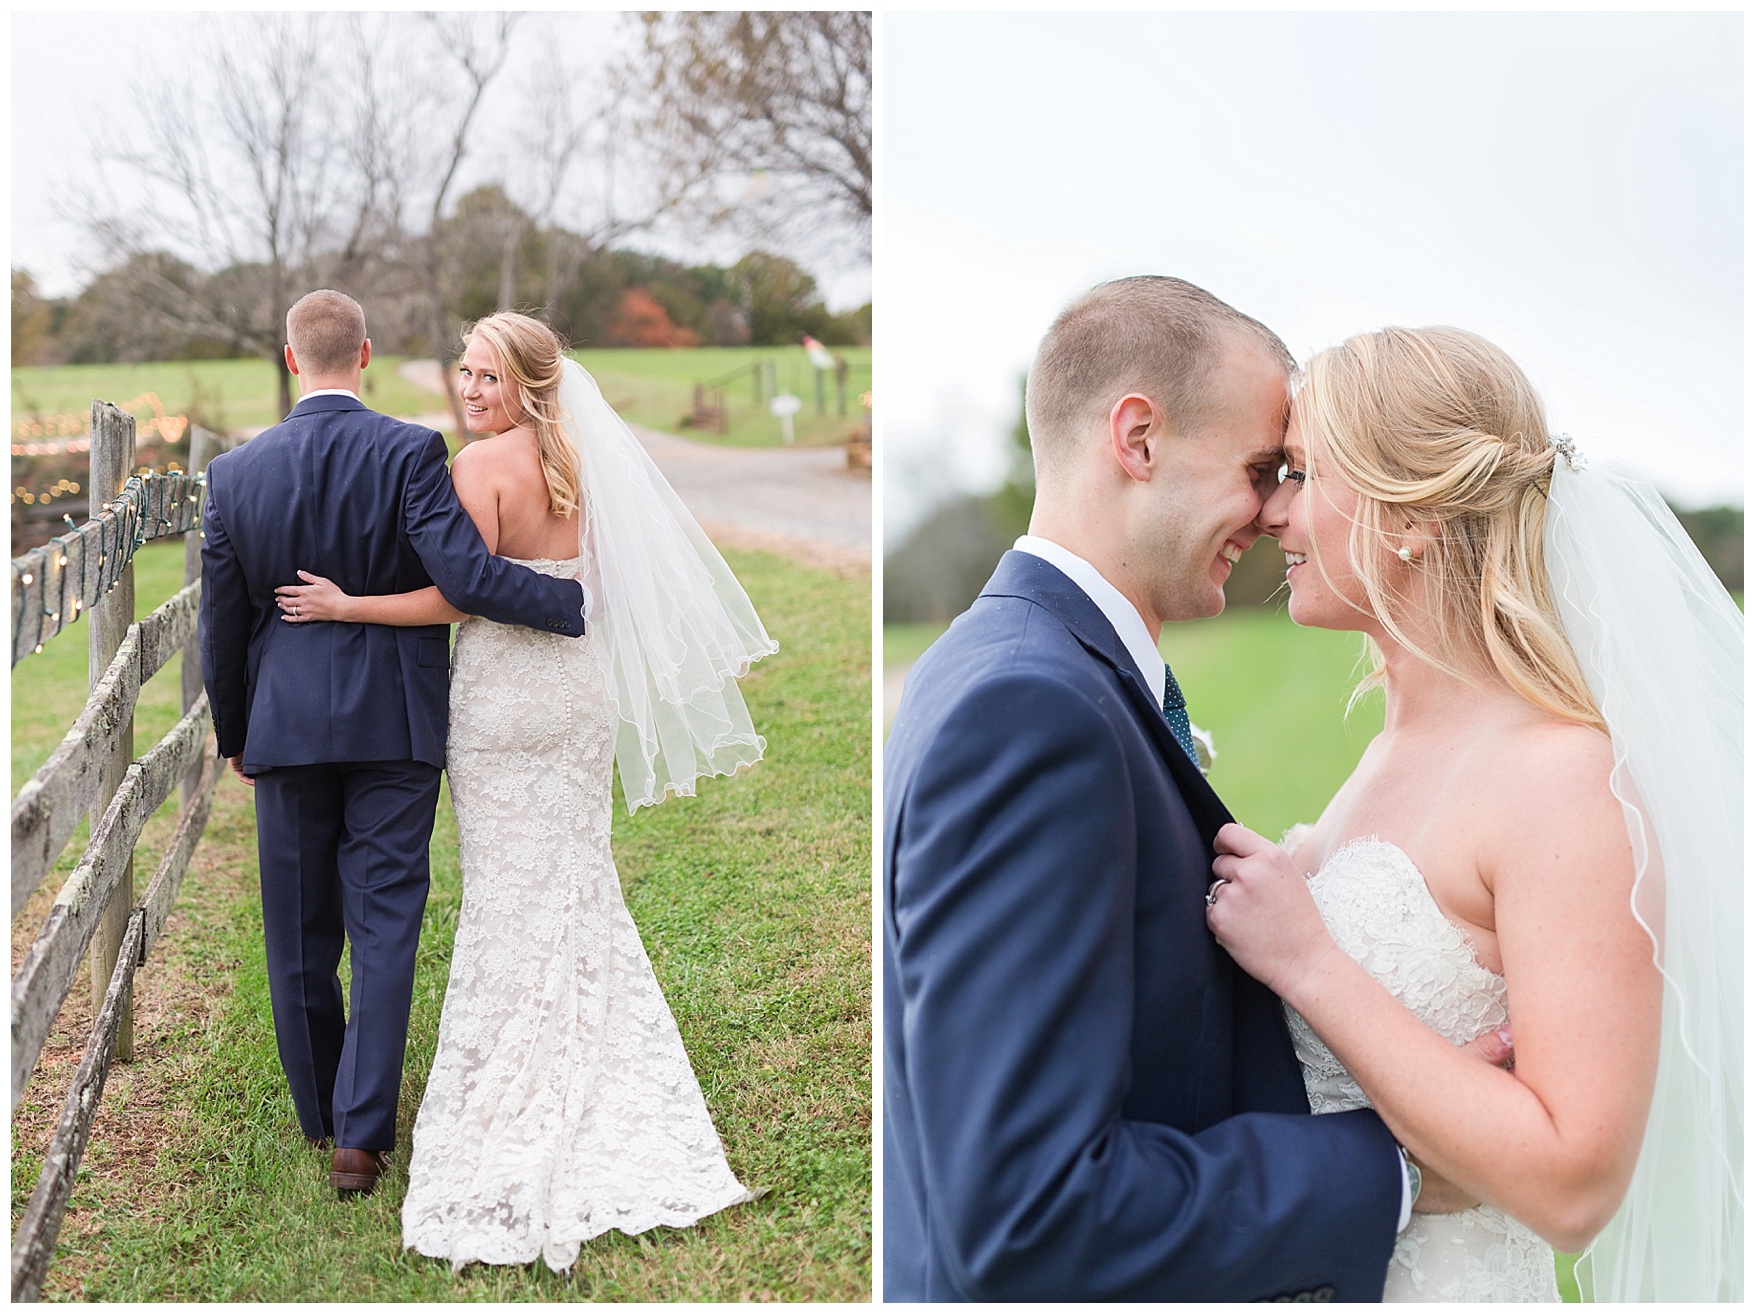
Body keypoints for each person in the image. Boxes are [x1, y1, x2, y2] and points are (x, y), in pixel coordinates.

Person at [882, 277, 1513, 1302]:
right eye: (1266, 469)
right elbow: (1023, 1212)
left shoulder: (1015, 662)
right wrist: (1398, 1168)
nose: (1276, 515)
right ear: (1138, 439)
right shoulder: (1033, 710)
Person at [1206, 326, 1742, 1301]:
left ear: (1410, 518)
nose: (1272, 512)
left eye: (1302, 473)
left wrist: (1310, 961)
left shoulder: (1563, 782)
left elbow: (1575, 1183)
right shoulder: (1387, 755)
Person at [274, 311, 775, 1272]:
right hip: (578, 698)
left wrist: (348, 604)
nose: (470, 390)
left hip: (501, 702)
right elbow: (597, 590)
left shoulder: (479, 469)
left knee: (506, 896)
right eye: (464, 372)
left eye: (487, 377)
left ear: (527, 384)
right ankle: (603, 1062)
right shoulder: (587, 465)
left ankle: (516, 1087)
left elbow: (457, 594)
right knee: (581, 880)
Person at [199, 291, 590, 1199]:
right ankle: (363, 1136)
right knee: (384, 922)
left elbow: (223, 624)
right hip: (397, 723)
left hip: (285, 726)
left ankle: (321, 1114)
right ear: (364, 354)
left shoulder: (235, 474)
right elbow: (460, 576)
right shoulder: (413, 451)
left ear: (293, 359)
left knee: (297, 929)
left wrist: (235, 733)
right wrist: (572, 602)